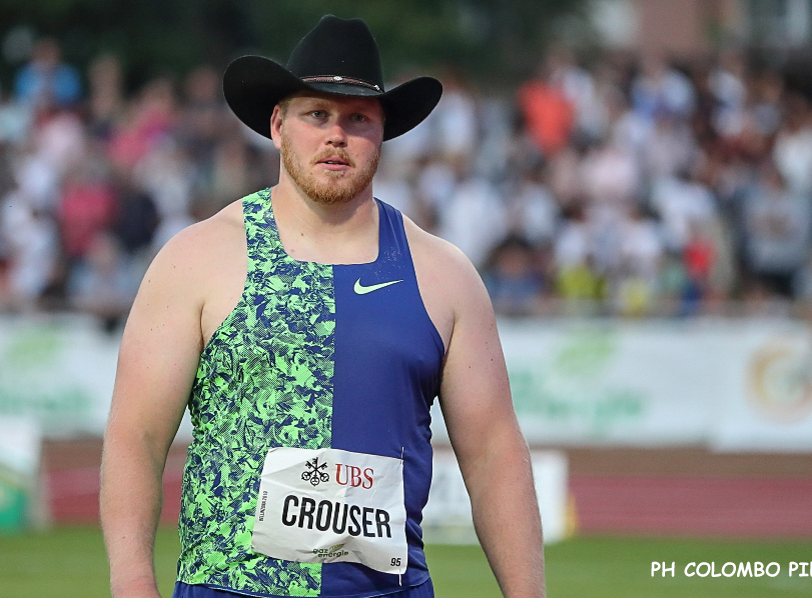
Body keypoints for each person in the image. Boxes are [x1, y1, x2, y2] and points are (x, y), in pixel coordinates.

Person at [100, 14, 545, 598]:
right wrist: (134, 584)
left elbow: (492, 453)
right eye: (317, 114)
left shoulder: (444, 276)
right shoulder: (198, 258)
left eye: (357, 118)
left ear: (383, 132)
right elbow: (136, 437)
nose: (336, 134)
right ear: (278, 124)